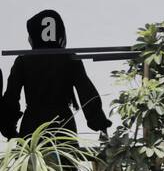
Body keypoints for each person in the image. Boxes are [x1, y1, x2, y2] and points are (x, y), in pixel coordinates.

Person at [1, 9, 110, 139]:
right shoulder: (70, 59)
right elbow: (87, 93)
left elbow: (11, 98)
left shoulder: (23, 60)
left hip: (32, 128)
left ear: (33, 36)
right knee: (64, 158)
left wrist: (10, 131)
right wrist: (101, 126)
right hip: (64, 127)